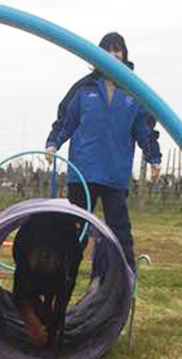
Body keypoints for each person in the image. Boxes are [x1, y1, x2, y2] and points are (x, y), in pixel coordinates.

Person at [45, 32, 161, 273]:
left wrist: (153, 157)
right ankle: (64, 276)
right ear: (97, 55)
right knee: (75, 231)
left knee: (119, 232)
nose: (113, 55)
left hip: (114, 175)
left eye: (117, 50)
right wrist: (53, 143)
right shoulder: (83, 88)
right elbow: (66, 120)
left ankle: (124, 281)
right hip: (83, 173)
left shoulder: (134, 91)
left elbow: (145, 128)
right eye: (107, 50)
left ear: (125, 55)